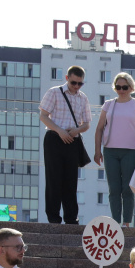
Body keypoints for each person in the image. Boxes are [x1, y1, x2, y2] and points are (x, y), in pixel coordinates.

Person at [92, 72, 135, 227]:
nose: (121, 90)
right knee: (114, 188)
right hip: (110, 151)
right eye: (118, 87)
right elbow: (99, 128)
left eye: (124, 87)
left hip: (130, 151)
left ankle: (127, 222)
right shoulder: (108, 104)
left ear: (131, 87)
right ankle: (115, 222)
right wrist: (97, 151)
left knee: (127, 189)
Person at [38, 65, 90, 225]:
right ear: (67, 78)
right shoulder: (54, 92)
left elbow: (87, 123)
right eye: (74, 82)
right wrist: (60, 131)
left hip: (72, 141)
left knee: (71, 181)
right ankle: (53, 218)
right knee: (53, 179)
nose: (76, 86)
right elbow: (43, 116)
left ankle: (71, 219)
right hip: (54, 138)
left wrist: (76, 131)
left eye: (80, 83)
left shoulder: (83, 98)